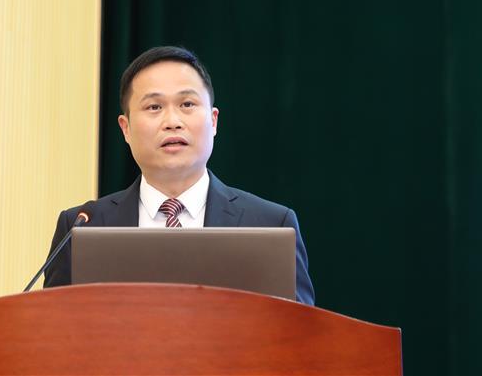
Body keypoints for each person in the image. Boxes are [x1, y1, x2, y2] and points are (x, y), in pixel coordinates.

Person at [43, 46, 315, 304]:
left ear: (213, 120)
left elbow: (300, 332)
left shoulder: (271, 224)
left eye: (187, 104)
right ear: (126, 128)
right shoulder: (80, 229)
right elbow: (53, 330)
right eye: (154, 107)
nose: (172, 121)